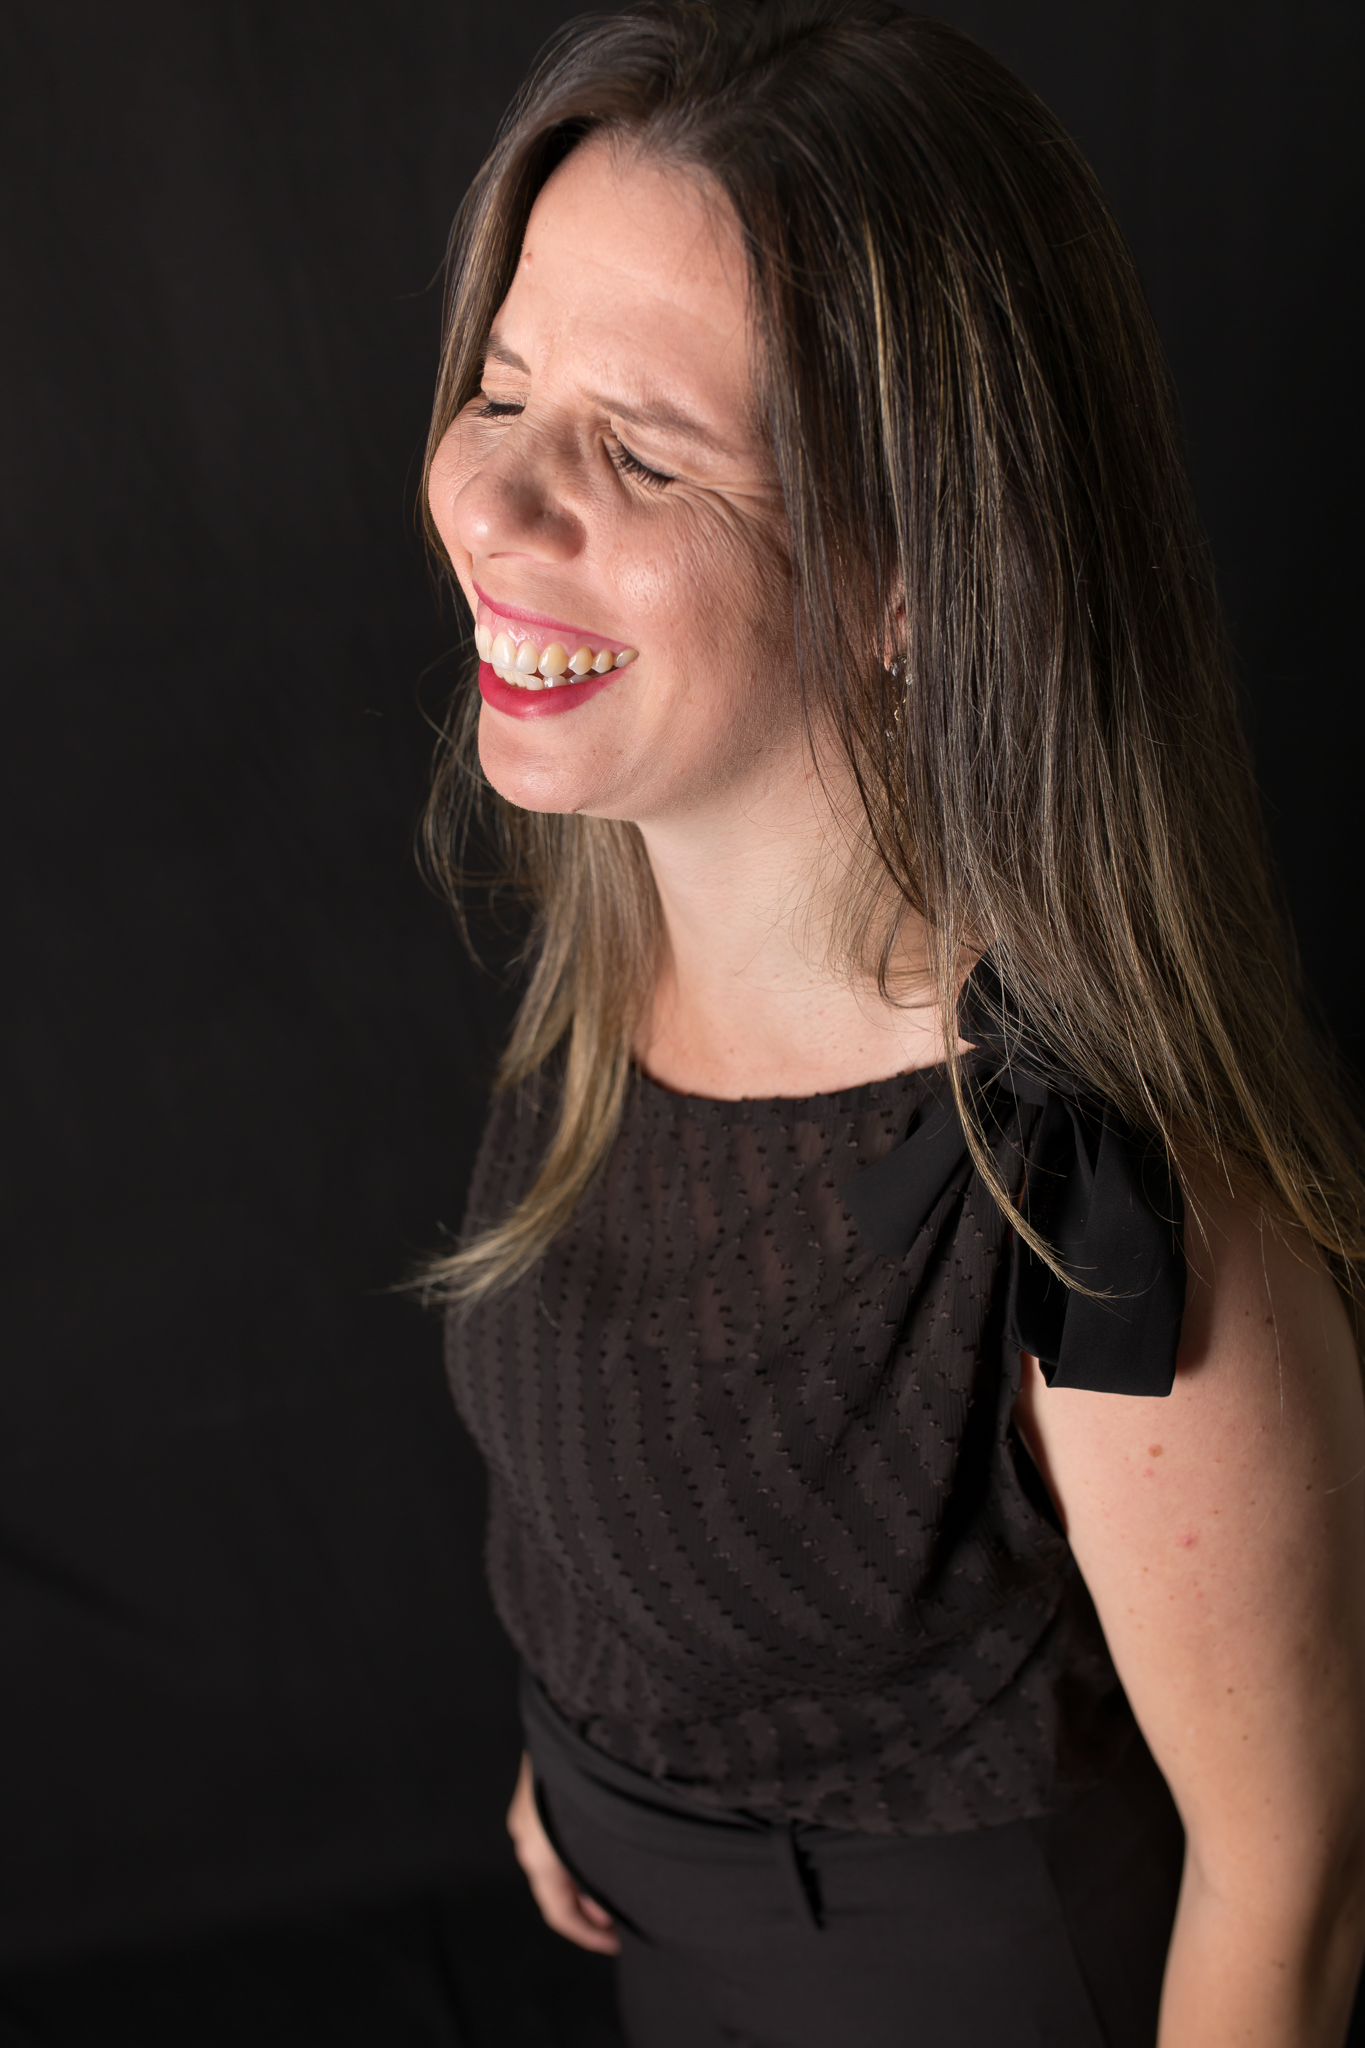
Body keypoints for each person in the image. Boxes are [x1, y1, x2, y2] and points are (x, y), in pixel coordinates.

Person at [419, 4, 1365, 2042]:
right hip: (657, 1933)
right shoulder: (621, 919)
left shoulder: (1096, 1205)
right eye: (499, 390)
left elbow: (1287, 1885)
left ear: (914, 573)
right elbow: (632, 1467)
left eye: (639, 453)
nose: (492, 502)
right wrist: (579, 1752)